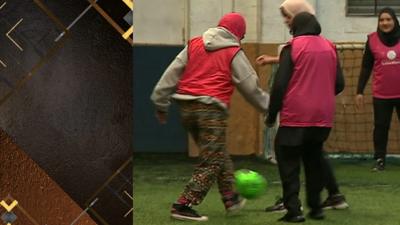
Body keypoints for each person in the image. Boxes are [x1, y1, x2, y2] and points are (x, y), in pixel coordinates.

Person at [150, 13, 269, 222]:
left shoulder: (195, 44)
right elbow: (251, 86)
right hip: (211, 110)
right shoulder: (233, 51)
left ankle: (230, 198)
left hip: (186, 108)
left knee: (218, 154)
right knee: (212, 160)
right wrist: (270, 108)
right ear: (238, 33)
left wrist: (160, 103)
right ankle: (183, 204)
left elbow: (171, 73)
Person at [259, 0, 348, 215]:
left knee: (288, 160)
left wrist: (272, 115)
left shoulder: (293, 48)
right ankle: (316, 207)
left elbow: (280, 85)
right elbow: (339, 83)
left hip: (296, 116)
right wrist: (321, 96)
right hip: (323, 117)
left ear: (296, 27)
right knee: (314, 159)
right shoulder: (330, 46)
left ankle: (293, 210)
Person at [355, 7, 400, 172]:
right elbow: (366, 67)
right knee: (381, 127)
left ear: (394, 21)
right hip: (381, 95)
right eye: (382, 20)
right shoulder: (372, 40)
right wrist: (359, 91)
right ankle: (380, 159)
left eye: (388, 19)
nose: (385, 23)